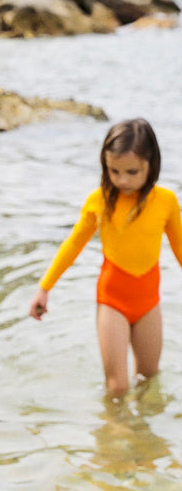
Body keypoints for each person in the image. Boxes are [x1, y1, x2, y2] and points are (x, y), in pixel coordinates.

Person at [29, 118, 182, 396]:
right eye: (114, 171)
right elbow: (73, 245)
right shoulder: (99, 200)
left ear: (152, 164)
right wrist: (44, 288)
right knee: (117, 387)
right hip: (112, 302)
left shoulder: (166, 201)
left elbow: (180, 249)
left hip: (149, 302)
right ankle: (111, 435)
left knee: (150, 379)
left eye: (132, 171)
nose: (122, 180)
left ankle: (144, 437)